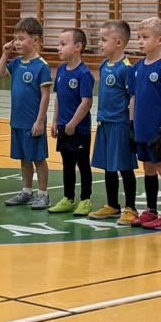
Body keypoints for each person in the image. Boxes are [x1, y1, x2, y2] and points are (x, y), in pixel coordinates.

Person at [129, 18, 161, 230]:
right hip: (141, 128)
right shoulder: (138, 67)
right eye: (139, 37)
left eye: (145, 37)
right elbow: (133, 98)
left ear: (160, 40)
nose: (140, 41)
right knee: (147, 167)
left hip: (157, 129)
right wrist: (132, 124)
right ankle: (151, 210)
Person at [87, 20, 136, 224]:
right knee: (108, 166)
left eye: (103, 40)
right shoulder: (104, 66)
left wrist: (131, 125)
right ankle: (113, 205)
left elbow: (133, 98)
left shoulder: (127, 69)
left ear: (118, 42)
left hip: (120, 125)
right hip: (104, 123)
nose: (100, 43)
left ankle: (131, 208)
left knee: (124, 166)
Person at [3, 17, 54, 208]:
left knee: (38, 159)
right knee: (24, 158)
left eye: (21, 38)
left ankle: (43, 194)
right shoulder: (16, 62)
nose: (16, 42)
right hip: (17, 120)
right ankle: (26, 191)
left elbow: (45, 96)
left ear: (35, 40)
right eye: (15, 38)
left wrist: (40, 121)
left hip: (33, 122)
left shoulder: (42, 66)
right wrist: (5, 54)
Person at [48, 27, 94, 215]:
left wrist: (73, 124)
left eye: (63, 44)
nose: (58, 48)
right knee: (67, 163)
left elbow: (86, 102)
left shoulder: (84, 74)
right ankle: (68, 198)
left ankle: (85, 199)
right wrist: (55, 121)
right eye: (58, 44)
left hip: (79, 129)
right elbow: (59, 98)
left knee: (82, 164)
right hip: (63, 127)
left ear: (77, 47)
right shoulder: (60, 70)